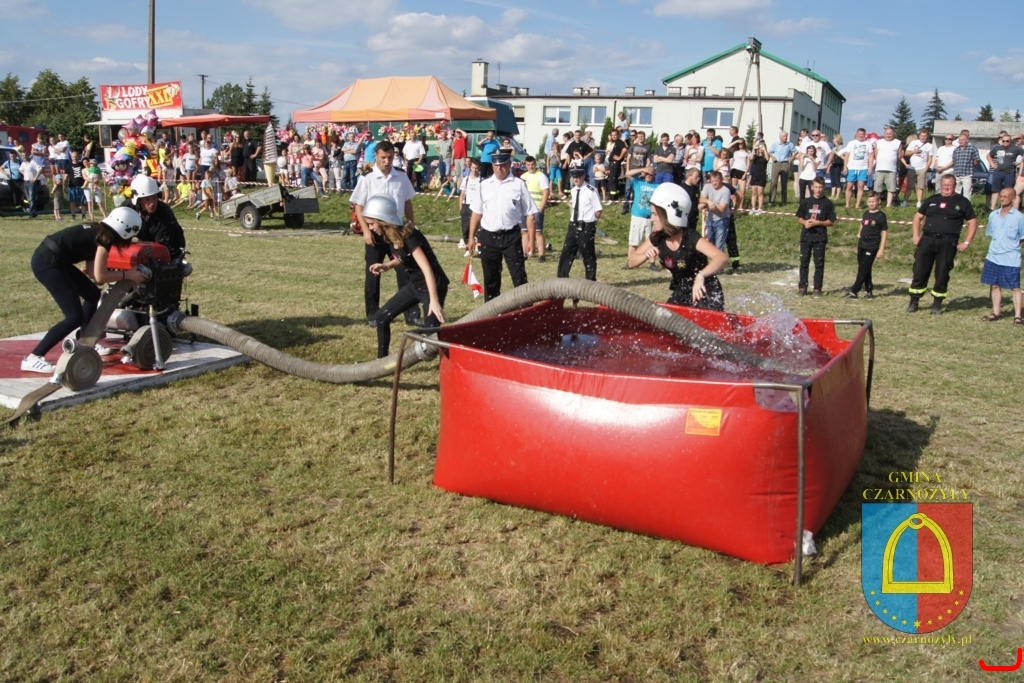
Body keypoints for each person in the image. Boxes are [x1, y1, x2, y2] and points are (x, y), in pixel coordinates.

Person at [21, 207, 150, 374]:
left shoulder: (99, 232)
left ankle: (85, 340)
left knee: (92, 294)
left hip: (55, 260)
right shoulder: (105, 240)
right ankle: (33, 357)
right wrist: (128, 274)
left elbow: (92, 272)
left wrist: (99, 273)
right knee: (74, 317)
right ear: (125, 231)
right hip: (48, 263)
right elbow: (100, 277)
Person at [362, 194, 448, 358]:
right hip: (415, 284)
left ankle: (448, 361)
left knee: (430, 340)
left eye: (372, 223)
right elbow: (403, 256)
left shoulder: (409, 236)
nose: (370, 228)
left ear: (382, 220)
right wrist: (387, 265)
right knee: (381, 318)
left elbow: (426, 269)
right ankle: (381, 362)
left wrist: (434, 301)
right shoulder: (389, 235)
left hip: (432, 286)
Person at [350, 139, 422, 327]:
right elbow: (358, 205)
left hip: (396, 231)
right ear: (376, 156)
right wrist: (366, 231)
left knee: (405, 271)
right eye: (383, 157)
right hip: (375, 231)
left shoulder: (401, 176)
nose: (387, 161)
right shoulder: (367, 178)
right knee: (373, 273)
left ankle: (411, 313)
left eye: (390, 157)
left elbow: (407, 202)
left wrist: (411, 224)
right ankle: (373, 314)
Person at [627, 182, 726, 311]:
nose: (651, 219)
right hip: (682, 289)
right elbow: (631, 262)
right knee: (665, 320)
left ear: (667, 215)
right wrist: (645, 255)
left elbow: (721, 257)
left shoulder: (690, 237)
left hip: (704, 289)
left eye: (655, 214)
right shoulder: (658, 237)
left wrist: (701, 275)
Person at [467, 151, 537, 301]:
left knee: (519, 276)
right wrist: (471, 237)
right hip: (488, 236)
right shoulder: (484, 185)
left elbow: (530, 214)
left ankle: (525, 309)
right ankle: (492, 311)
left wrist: (531, 240)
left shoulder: (519, 184)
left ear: (509, 164)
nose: (499, 168)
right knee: (490, 278)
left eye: (503, 165)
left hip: (511, 236)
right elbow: (476, 213)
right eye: (496, 165)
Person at [907, 174, 978, 314]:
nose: (946, 188)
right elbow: (918, 216)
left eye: (949, 185)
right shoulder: (932, 200)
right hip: (928, 240)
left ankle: (937, 303)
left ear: (954, 185)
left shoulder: (962, 202)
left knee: (942, 273)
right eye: (944, 185)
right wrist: (916, 235)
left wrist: (967, 242)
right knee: (920, 270)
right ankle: (914, 301)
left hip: (948, 242)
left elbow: (973, 222)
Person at [980, 188, 1024, 323]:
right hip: (993, 257)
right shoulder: (993, 215)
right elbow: (991, 234)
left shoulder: (1019, 217)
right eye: (1001, 196)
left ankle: (1018, 315)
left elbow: (1022, 237)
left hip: (1011, 258)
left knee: (1015, 287)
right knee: (994, 285)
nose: (1002, 199)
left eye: (1005, 196)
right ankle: (996, 312)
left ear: (1013, 198)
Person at [557, 167, 602, 281]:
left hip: (586, 225)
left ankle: (590, 280)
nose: (575, 179)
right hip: (573, 224)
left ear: (583, 176)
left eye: (578, 177)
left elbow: (598, 210)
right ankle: (562, 279)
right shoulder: (573, 190)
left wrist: (591, 224)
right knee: (566, 252)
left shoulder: (591, 191)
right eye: (573, 177)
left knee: (588, 254)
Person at [130, 174, 187, 261]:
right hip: (147, 246)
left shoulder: (164, 212)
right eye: (147, 199)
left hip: (169, 249)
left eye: (154, 198)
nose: (152, 203)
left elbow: (162, 245)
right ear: (138, 200)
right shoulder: (127, 209)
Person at [796, 177, 836, 297]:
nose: (818, 190)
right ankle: (802, 287)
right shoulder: (806, 202)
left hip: (820, 237)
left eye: (820, 187)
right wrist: (805, 222)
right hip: (806, 236)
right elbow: (799, 218)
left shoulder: (828, 203)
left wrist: (819, 223)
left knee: (819, 264)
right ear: (812, 187)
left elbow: (831, 221)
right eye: (816, 187)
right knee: (804, 262)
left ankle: (817, 288)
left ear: (824, 188)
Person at [844, 191, 888, 299]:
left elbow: (884, 232)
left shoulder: (881, 216)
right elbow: (863, 223)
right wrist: (859, 232)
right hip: (862, 244)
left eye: (873, 201)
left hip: (872, 245)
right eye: (869, 202)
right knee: (864, 268)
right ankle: (869, 290)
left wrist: (881, 249)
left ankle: (854, 291)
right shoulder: (866, 213)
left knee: (863, 268)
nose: (871, 204)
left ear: (879, 202)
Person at [623, 165, 658, 269]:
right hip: (638, 217)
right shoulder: (638, 183)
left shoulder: (657, 186)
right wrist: (642, 169)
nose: (648, 175)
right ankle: (630, 262)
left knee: (652, 242)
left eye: (650, 174)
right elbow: (627, 173)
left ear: (654, 175)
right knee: (634, 241)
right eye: (646, 174)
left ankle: (652, 263)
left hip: (651, 218)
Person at [520, 156, 550, 262]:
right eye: (528, 165)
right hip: (525, 209)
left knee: (538, 232)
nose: (530, 167)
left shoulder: (541, 176)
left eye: (532, 164)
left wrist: (541, 209)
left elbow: (546, 193)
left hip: (537, 208)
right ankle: (524, 253)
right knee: (525, 231)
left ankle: (541, 255)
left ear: (535, 164)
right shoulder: (523, 176)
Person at [986, 132, 1024, 210]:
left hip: (1009, 173)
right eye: (1003, 141)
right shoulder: (997, 148)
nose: (1005, 142)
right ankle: (992, 208)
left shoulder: (1015, 148)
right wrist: (992, 164)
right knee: (995, 190)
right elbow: (989, 155)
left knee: (1008, 191)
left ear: (1010, 141)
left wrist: (1019, 162)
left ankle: (1005, 208)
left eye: (1007, 141)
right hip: (998, 172)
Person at [842, 128, 875, 210]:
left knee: (861, 186)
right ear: (856, 134)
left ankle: (857, 205)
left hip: (863, 168)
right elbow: (847, 156)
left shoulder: (868, 144)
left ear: (865, 135)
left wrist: (870, 168)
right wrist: (845, 167)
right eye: (859, 134)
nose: (860, 136)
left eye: (862, 134)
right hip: (851, 168)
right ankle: (847, 204)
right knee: (849, 186)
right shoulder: (851, 143)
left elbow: (871, 156)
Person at [698, 170, 731, 250]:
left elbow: (722, 209)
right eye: (712, 181)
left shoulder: (725, 191)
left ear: (721, 180)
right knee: (710, 244)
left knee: (719, 245)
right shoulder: (707, 186)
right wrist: (708, 202)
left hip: (721, 220)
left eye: (716, 181)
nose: (714, 183)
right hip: (710, 219)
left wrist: (713, 206)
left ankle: (719, 257)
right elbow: (701, 199)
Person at [873, 127, 903, 208]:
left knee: (891, 188)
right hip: (879, 168)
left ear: (893, 134)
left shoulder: (898, 142)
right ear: (884, 134)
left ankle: (888, 205)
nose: (888, 135)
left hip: (891, 169)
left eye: (890, 134)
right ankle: (877, 203)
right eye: (887, 133)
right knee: (877, 188)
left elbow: (899, 155)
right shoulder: (879, 142)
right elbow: (876, 154)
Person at [457, 158, 482, 253]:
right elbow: (462, 195)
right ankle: (468, 248)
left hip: (478, 206)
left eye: (476, 168)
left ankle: (479, 248)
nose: (474, 170)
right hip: (467, 206)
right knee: (466, 228)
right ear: (470, 167)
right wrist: (461, 208)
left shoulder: (482, 180)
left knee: (479, 228)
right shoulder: (466, 179)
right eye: (473, 168)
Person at [904, 129, 933, 208]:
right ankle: (905, 201)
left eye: (925, 136)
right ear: (919, 136)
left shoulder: (930, 146)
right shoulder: (914, 142)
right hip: (912, 167)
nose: (923, 137)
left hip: (922, 168)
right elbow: (906, 153)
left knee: (920, 186)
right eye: (921, 136)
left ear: (927, 137)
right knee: (909, 186)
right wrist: (914, 152)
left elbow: (930, 158)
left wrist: (926, 168)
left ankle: (919, 202)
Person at [768, 131, 796, 205]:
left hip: (785, 163)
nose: (785, 137)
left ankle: (784, 200)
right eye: (784, 136)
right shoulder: (775, 144)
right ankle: (771, 200)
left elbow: (796, 151)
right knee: (774, 182)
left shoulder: (790, 144)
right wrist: (772, 157)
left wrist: (792, 158)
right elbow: (769, 151)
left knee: (784, 183)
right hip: (776, 163)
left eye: (786, 136)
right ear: (780, 137)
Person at [951, 129, 980, 199]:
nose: (961, 141)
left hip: (967, 174)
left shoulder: (972, 148)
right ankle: (956, 204)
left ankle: (966, 205)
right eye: (959, 140)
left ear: (967, 140)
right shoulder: (956, 150)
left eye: (962, 140)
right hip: (957, 174)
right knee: (956, 192)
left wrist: (970, 166)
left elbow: (977, 160)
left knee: (967, 193)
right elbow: (954, 161)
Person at [746, 145, 768, 215]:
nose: (760, 149)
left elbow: (767, 159)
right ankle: (753, 207)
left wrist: (764, 150)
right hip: (754, 176)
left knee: (760, 193)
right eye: (759, 148)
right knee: (754, 193)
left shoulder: (765, 157)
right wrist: (753, 148)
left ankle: (760, 208)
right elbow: (751, 158)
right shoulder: (755, 157)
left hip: (762, 176)